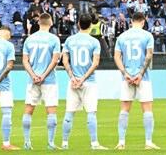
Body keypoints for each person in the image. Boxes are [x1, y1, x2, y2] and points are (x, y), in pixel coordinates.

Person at [113, 10, 159, 150]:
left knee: (124, 110)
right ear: (143, 22)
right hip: (143, 77)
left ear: (131, 21)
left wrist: (125, 74)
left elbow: (116, 57)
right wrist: (140, 74)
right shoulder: (147, 35)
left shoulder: (122, 36)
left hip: (126, 77)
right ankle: (148, 142)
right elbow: (149, 55)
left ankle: (121, 142)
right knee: (147, 109)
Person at [61, 13, 106, 150]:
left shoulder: (69, 40)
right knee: (91, 112)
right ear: (91, 25)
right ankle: (94, 143)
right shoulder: (94, 42)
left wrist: (73, 77)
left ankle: (64, 143)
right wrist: (83, 79)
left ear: (78, 24)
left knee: (69, 112)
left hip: (73, 81)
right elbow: (95, 63)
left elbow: (65, 61)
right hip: (89, 82)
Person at [22, 12, 62, 150]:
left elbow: (25, 61)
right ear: (50, 22)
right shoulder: (54, 39)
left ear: (38, 22)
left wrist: (34, 75)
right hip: (49, 80)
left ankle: (27, 142)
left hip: (32, 80)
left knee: (28, 110)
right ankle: (50, 143)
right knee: (51, 110)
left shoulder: (29, 39)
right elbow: (55, 60)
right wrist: (44, 75)